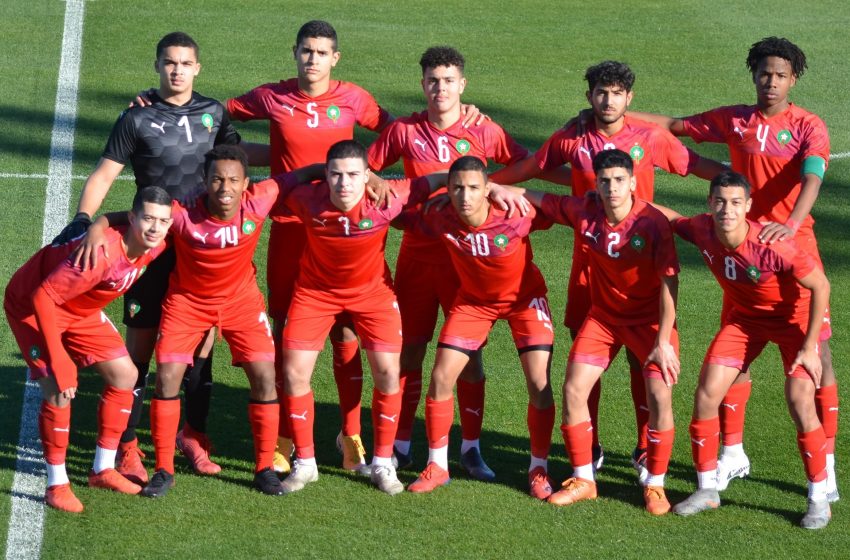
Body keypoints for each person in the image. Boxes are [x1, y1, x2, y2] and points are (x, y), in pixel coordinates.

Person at [226, 22, 486, 475]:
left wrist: (465, 114)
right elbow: (215, 114)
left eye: (322, 52)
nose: (313, 59)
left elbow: (399, 133)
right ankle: (287, 435)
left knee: (346, 335)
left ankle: (350, 436)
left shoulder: (355, 99)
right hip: (294, 226)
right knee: (291, 334)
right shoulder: (272, 97)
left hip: (351, 228)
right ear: (295, 53)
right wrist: (251, 150)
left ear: (335, 59)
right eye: (306, 51)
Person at [491, 61, 725, 480]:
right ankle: (591, 443)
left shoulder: (651, 137)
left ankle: (642, 446)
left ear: (629, 97)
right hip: (591, 262)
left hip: (642, 266)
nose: (608, 99)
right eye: (601, 91)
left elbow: (698, 166)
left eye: (617, 92)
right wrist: (484, 184)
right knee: (585, 351)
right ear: (590, 96)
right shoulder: (573, 136)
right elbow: (531, 171)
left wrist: (737, 192)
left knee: (644, 362)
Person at [629, 37, 837, 499]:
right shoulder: (736, 119)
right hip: (736, 245)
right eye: (764, 73)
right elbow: (674, 125)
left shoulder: (808, 125)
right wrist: (618, 117)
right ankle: (732, 454)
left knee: (815, 359)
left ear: (793, 79)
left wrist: (790, 224)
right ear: (754, 75)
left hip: (790, 248)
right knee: (736, 357)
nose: (771, 81)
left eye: (780, 75)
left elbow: (814, 176)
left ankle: (828, 465)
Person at [52, 31, 261, 483]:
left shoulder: (213, 113)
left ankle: (194, 435)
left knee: (201, 350)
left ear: (197, 68)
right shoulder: (136, 118)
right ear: (157, 65)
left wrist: (305, 156)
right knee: (141, 349)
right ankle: (127, 445)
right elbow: (104, 173)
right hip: (150, 245)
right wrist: (84, 218)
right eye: (169, 62)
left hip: (199, 244)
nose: (177, 70)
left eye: (185, 63)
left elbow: (237, 158)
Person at [84, 146, 323, 498]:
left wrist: (365, 175)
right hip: (188, 304)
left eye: (232, 180)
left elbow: (303, 172)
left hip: (242, 302)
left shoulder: (261, 198)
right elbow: (129, 217)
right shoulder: (182, 215)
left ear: (246, 184)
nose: (224, 188)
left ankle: (263, 468)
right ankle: (164, 469)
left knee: (265, 377)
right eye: (216, 179)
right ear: (204, 182)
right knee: (167, 376)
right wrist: (97, 224)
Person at [366, 45, 547, 479]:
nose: (440, 88)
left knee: (469, 358)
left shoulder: (483, 130)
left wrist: (496, 187)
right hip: (418, 254)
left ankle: (470, 448)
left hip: (465, 265)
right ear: (422, 84)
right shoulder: (405, 131)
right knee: (409, 352)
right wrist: (385, 190)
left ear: (462, 85)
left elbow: (524, 162)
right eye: (432, 80)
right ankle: (404, 443)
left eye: (448, 81)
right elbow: (366, 170)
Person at [654, 171, 831, 529]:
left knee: (799, 400)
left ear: (748, 206)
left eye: (736, 203)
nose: (727, 210)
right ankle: (707, 490)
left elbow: (821, 286)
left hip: (792, 322)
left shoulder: (772, 243)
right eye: (719, 201)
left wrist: (810, 347)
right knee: (706, 394)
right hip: (745, 322)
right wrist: (623, 200)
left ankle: (819, 498)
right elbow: (669, 218)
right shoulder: (703, 228)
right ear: (709, 203)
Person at [523, 149, 681, 515]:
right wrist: (493, 188)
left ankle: (655, 485)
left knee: (659, 395)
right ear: (596, 184)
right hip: (604, 319)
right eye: (605, 181)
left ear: (633, 184)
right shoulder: (585, 211)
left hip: (649, 322)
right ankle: (584, 479)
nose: (612, 188)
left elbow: (669, 284)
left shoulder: (652, 222)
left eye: (619, 181)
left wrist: (663, 342)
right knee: (574, 388)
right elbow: (538, 197)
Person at [4, 187, 173, 512]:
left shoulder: (157, 243)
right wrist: (59, 359)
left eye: (162, 221)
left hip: (77, 308)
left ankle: (102, 469)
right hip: (33, 305)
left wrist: (101, 221)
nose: (155, 227)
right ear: (134, 218)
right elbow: (43, 298)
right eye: (147, 218)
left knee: (126, 375)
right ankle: (56, 485)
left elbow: (134, 216)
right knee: (59, 390)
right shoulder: (101, 257)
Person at [400, 156, 556, 499]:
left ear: (488, 189)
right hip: (474, 304)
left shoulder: (516, 212)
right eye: (457, 187)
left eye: (473, 188)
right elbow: (394, 214)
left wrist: (520, 191)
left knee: (539, 383)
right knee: (441, 377)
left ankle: (538, 469)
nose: (465, 196)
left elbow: (564, 210)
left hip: (524, 302)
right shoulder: (439, 214)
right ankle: (438, 465)